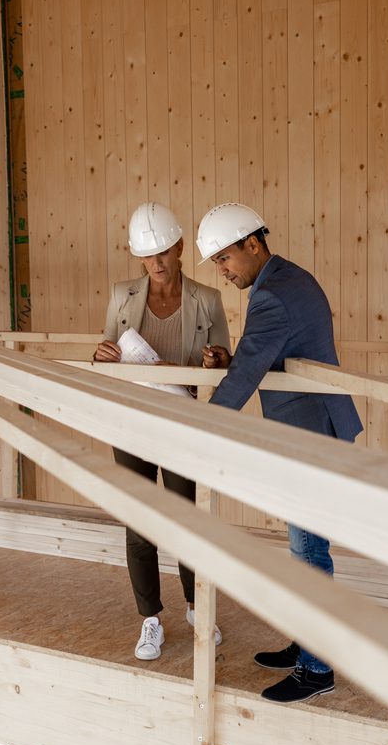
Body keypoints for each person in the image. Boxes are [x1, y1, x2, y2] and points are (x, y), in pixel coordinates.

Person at [196, 202, 363, 703]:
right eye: (217, 264)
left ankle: (317, 670)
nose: (223, 272)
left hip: (310, 438)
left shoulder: (272, 294)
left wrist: (199, 427)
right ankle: (306, 645)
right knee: (302, 551)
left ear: (253, 243)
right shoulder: (287, 278)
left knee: (310, 555)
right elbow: (267, 353)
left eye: (225, 259)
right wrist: (235, 358)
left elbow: (249, 370)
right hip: (313, 431)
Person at [95, 201, 232, 661]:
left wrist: (215, 362)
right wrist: (103, 358)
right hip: (130, 421)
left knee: (185, 517)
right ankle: (150, 619)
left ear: (178, 249)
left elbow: (224, 362)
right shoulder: (122, 296)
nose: (155, 264)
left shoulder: (207, 300)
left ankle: (198, 607)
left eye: (162, 253)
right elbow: (107, 356)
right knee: (139, 521)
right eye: (146, 256)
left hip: (181, 421)